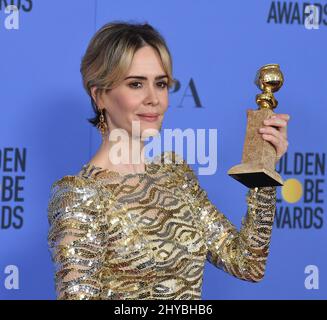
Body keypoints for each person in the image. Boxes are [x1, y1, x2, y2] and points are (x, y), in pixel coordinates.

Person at [47, 21, 290, 300]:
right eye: (136, 84)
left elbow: (247, 263)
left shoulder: (174, 175)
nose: (153, 99)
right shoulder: (80, 196)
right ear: (99, 94)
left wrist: (264, 169)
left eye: (160, 84)